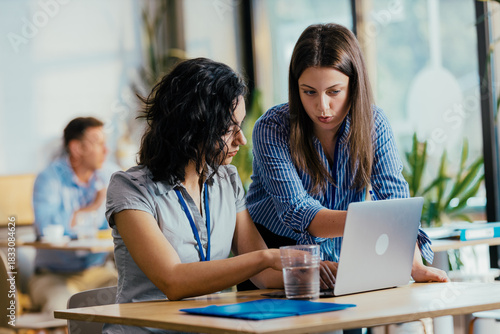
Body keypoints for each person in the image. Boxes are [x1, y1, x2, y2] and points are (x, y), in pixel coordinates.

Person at [103, 57, 337, 333]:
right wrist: (268, 257)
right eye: (229, 128)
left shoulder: (227, 181)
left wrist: (324, 271)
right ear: (193, 126)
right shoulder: (130, 189)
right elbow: (173, 281)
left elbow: (264, 276)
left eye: (241, 125)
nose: (242, 139)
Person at [244, 23, 449, 287]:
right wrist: (375, 222)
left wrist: (414, 265)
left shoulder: (375, 123)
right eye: (309, 92)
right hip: (277, 255)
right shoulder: (272, 128)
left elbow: (395, 203)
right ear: (296, 88)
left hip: (342, 251)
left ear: (354, 85)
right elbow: (298, 212)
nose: (322, 106)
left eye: (334, 92)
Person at [30, 117, 118, 313]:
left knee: (133, 295)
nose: (106, 150)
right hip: (53, 276)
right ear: (77, 148)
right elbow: (48, 229)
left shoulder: (110, 175)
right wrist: (93, 206)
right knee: (62, 307)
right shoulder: (49, 179)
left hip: (97, 272)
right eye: (99, 144)